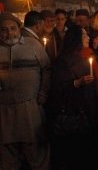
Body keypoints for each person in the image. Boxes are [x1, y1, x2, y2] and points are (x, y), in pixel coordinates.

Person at [47, 24, 98, 170]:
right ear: (76, 39)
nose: (88, 37)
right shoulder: (64, 61)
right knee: (76, 153)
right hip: (75, 112)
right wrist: (76, 83)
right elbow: (57, 87)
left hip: (89, 108)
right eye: (84, 35)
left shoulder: (85, 55)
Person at [0, 12, 51, 169]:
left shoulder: (33, 45)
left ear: (19, 29)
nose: (9, 33)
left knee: (35, 149)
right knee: (7, 152)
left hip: (30, 107)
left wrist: (43, 93)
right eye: (4, 30)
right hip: (4, 110)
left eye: (13, 28)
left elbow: (47, 69)